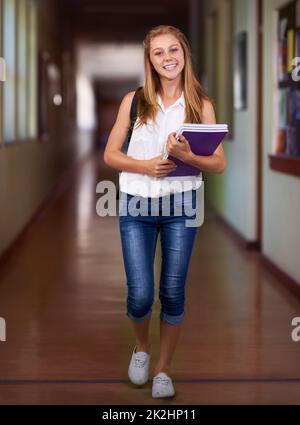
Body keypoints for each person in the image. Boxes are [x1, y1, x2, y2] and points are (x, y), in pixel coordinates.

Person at [104, 24, 226, 399]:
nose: (168, 58)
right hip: (136, 203)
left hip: (182, 205)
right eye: (159, 53)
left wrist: (188, 156)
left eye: (173, 50)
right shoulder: (135, 100)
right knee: (140, 295)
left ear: (184, 54)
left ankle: (162, 370)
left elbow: (219, 163)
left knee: (172, 291)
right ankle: (142, 347)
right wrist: (146, 166)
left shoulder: (201, 104)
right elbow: (110, 154)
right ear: (150, 60)